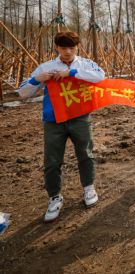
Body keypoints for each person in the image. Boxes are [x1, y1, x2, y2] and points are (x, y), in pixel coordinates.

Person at [18, 31, 105, 223]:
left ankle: (89, 187)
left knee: (85, 153)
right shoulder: (46, 67)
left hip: (80, 117)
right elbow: (23, 93)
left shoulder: (85, 64)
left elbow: (101, 77)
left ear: (77, 47)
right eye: (63, 48)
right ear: (56, 47)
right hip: (54, 120)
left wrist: (72, 72)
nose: (67, 52)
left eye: (71, 48)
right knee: (52, 160)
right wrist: (37, 79)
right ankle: (54, 197)